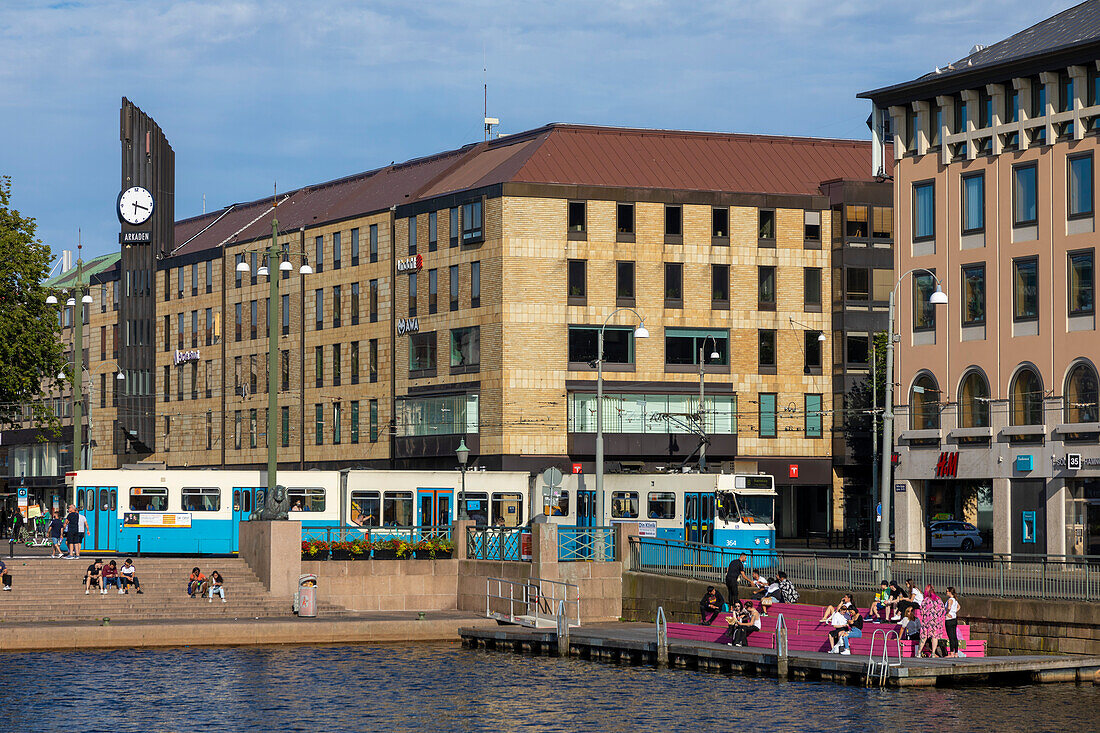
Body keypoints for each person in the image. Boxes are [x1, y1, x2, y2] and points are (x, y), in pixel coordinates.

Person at [916, 584, 946, 658]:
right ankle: (933, 653)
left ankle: (919, 653)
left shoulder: (925, 600)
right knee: (935, 637)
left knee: (924, 637)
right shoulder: (938, 599)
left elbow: (921, 611)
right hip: (936, 622)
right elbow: (942, 610)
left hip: (926, 621)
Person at [944, 587, 964, 658]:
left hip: (949, 619)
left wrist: (947, 613)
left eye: (947, 591)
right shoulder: (955, 600)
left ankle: (951, 653)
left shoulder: (950, 600)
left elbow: (949, 607)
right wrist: (954, 612)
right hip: (954, 619)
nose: (946, 593)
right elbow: (959, 607)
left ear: (950, 592)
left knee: (951, 637)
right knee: (955, 636)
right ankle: (956, 653)